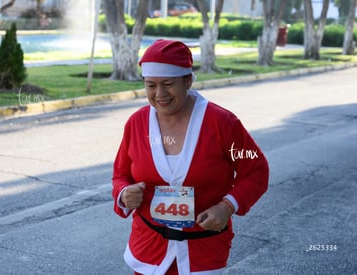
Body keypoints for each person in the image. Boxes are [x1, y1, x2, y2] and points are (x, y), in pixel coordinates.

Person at [112, 39, 269, 275]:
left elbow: (256, 170)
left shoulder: (222, 123)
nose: (160, 94)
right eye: (151, 85)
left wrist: (228, 206)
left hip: (203, 251)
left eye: (168, 84)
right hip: (148, 250)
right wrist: (124, 193)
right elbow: (121, 174)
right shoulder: (137, 124)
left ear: (188, 80)